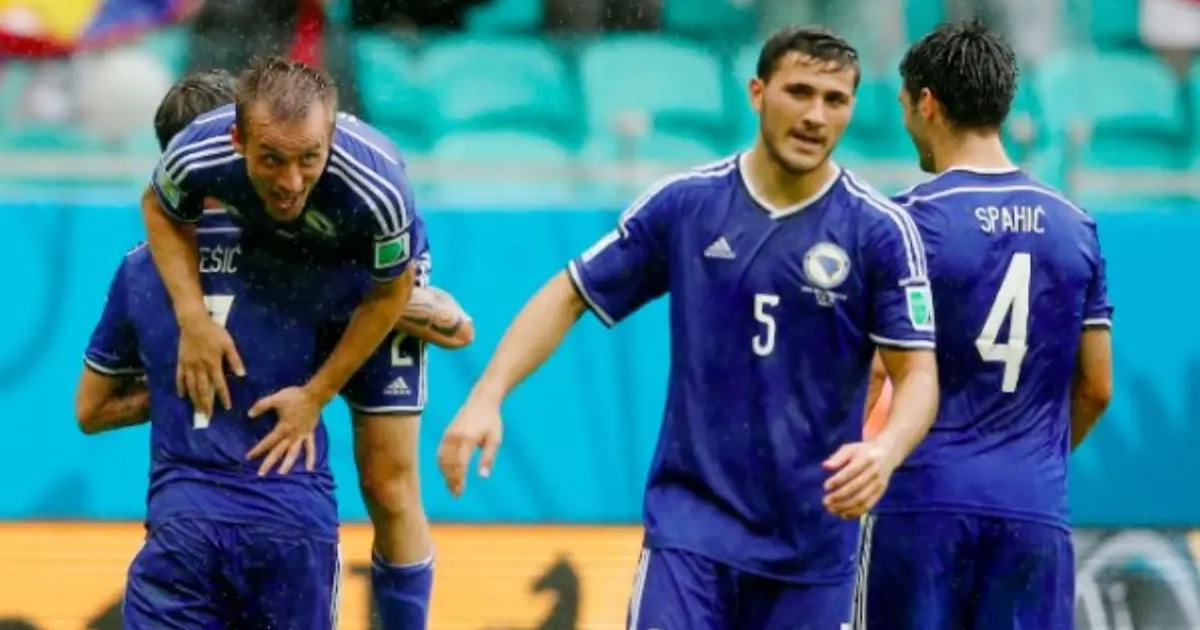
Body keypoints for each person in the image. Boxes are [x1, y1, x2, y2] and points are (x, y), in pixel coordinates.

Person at [437, 26, 941, 629]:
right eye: (799, 92)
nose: (815, 115)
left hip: (814, 546)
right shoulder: (688, 205)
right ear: (757, 92)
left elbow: (918, 375)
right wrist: (488, 394)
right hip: (692, 533)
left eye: (835, 100)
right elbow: (569, 292)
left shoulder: (879, 231)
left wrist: (886, 450)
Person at [139, 58, 443, 628]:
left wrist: (316, 395)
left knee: (388, 483)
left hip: (371, 277)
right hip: (286, 255)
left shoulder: (380, 189)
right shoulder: (197, 152)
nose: (291, 181)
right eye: (272, 159)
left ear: (331, 140)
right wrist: (193, 320)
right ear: (237, 140)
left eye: (309, 159)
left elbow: (388, 293)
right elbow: (158, 206)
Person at [863, 22, 1114, 630]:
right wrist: (1027, 462)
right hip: (1033, 508)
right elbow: (1096, 387)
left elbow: (869, 376)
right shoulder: (1076, 227)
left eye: (903, 104)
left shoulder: (905, 224)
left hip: (924, 506)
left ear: (927, 103)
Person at [76, 195, 365, 629]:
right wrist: (317, 393)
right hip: (288, 520)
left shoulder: (140, 267)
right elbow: (399, 304)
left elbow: (92, 409)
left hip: (186, 521)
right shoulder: (307, 253)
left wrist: (176, 387)